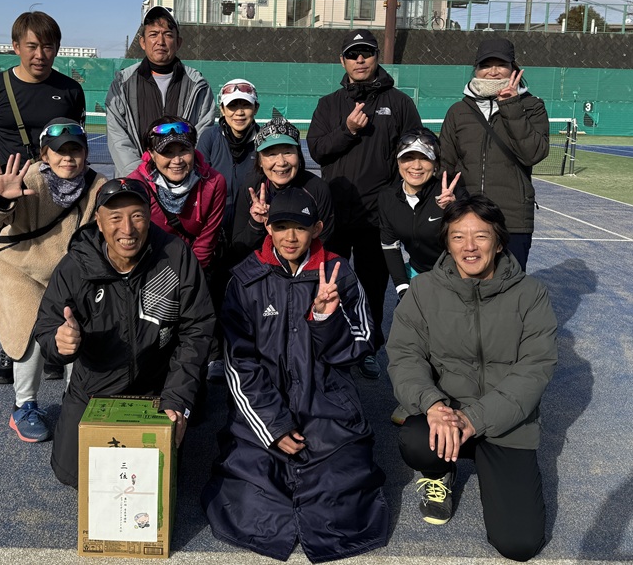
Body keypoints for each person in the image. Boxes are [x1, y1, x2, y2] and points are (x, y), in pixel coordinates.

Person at [202, 188, 388, 563]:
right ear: (268, 227)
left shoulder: (338, 272)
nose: (290, 237)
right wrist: (273, 426)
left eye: (300, 228)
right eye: (281, 226)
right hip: (262, 409)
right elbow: (240, 363)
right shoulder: (245, 278)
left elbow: (363, 342)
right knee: (253, 502)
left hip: (328, 405)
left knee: (340, 502)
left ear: (316, 229)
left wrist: (325, 318)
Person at [386, 194, 557, 562]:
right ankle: (438, 473)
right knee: (417, 440)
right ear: (446, 243)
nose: (469, 247)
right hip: (445, 413)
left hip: (505, 422)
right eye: (458, 236)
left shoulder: (530, 294)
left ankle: (486, 460)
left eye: (481, 236)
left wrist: (474, 419)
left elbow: (534, 369)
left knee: (519, 545)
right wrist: (433, 405)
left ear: (499, 242)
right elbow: (404, 356)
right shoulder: (424, 290)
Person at [34, 178, 215, 488]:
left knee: (158, 480)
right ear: (99, 222)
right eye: (115, 218)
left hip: (157, 386)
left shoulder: (175, 255)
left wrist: (177, 398)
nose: (127, 229)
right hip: (95, 388)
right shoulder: (75, 266)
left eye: (137, 216)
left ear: (149, 215)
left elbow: (197, 329)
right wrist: (59, 342)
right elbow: (47, 326)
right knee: (74, 474)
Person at [0, 119, 105, 443]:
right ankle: (23, 405)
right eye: (59, 151)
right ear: (45, 154)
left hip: (68, 276)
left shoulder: (97, 185)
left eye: (75, 150)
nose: (67, 157)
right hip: (20, 269)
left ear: (85, 154)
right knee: (28, 334)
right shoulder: (26, 180)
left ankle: (75, 400)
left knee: (77, 332)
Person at [0, 11, 86, 384]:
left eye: (48, 46)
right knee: (6, 278)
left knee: (59, 276)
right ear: (16, 46)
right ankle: (11, 348)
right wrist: (5, 184)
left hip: (57, 205)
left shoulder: (70, 90)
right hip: (7, 207)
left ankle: (52, 347)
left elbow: (75, 140)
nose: (40, 54)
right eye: (32, 46)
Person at [307, 28, 423, 378]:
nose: (360, 60)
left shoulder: (399, 103)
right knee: (331, 283)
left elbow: (414, 151)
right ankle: (332, 343)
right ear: (342, 61)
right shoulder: (329, 104)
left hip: (378, 217)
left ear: (376, 57)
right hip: (334, 215)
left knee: (373, 287)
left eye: (366, 53)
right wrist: (347, 130)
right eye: (353, 54)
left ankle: (369, 347)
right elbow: (317, 150)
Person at [439, 37, 549, 271]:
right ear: (476, 69)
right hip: (466, 217)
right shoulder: (458, 111)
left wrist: (511, 106)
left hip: (513, 220)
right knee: (466, 285)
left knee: (509, 286)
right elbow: (445, 165)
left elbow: (533, 154)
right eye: (486, 65)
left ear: (513, 68)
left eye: (501, 64)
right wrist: (448, 200)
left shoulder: (532, 106)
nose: (493, 71)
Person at [106, 5, 216, 177]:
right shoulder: (121, 84)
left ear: (178, 42)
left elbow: (202, 134)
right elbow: (118, 138)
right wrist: (141, 177)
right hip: (137, 184)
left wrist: (179, 173)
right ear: (142, 42)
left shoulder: (198, 85)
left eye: (168, 35)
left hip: (184, 181)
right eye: (153, 34)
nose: (161, 41)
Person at [231, 116, 334, 263]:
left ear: (299, 155)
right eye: (271, 154)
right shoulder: (251, 188)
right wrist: (256, 224)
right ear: (260, 161)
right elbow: (239, 249)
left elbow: (326, 244)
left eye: (287, 152)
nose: (281, 162)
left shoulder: (318, 189)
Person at [127, 116, 225, 270]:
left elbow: (205, 243)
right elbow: (132, 240)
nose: (177, 160)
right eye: (167, 152)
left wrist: (189, 276)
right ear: (151, 154)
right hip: (150, 269)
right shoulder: (136, 186)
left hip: (194, 269)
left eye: (184, 150)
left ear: (193, 149)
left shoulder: (214, 182)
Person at [378, 128, 465, 301]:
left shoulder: (453, 194)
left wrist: (456, 212)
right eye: (408, 158)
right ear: (398, 161)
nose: (416, 166)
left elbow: (472, 245)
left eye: (425, 158)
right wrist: (403, 289)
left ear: (436, 164)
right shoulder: (387, 198)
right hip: (418, 273)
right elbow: (390, 247)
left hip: (457, 276)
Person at [196, 79, 260, 245]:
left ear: (256, 108)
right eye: (232, 106)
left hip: (252, 228)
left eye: (245, 105)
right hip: (213, 227)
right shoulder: (209, 138)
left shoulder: (264, 141)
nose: (239, 112)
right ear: (222, 110)